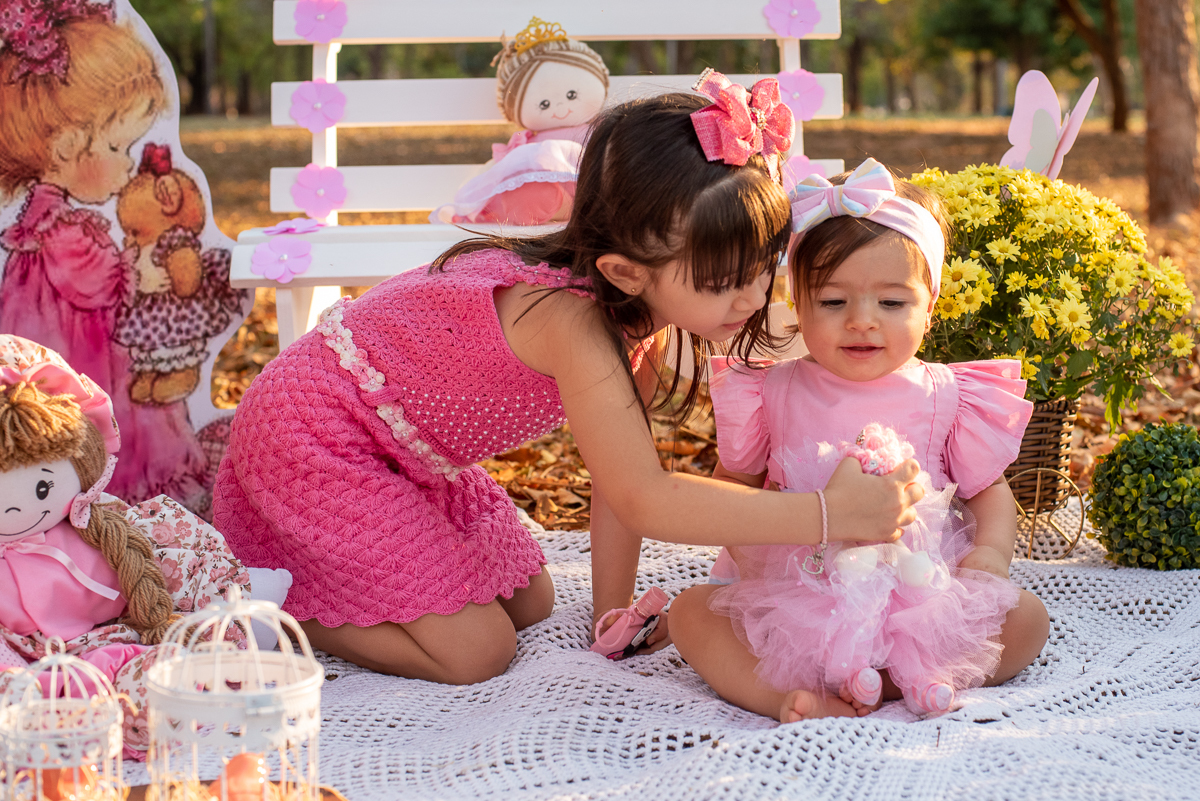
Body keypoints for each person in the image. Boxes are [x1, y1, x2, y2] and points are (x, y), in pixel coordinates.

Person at [213, 71, 925, 685]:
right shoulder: (571, 321)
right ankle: (271, 596)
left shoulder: (639, 319)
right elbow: (649, 498)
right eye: (724, 280)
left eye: (758, 269)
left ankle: (333, 580)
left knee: (532, 599)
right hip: (315, 434)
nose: (749, 298)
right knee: (477, 651)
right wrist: (829, 516)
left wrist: (610, 619)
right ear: (625, 270)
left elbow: (622, 485)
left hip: (403, 451)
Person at [670, 159, 1052, 723]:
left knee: (1028, 618)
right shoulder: (769, 391)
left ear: (931, 306)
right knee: (691, 615)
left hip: (917, 595)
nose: (862, 321)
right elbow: (737, 489)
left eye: (892, 303)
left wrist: (990, 556)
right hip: (793, 593)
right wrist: (750, 558)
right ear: (797, 304)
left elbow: (988, 490)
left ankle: (898, 676)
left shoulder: (948, 395)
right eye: (832, 302)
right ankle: (791, 696)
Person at [0, 0, 210, 506]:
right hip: (83, 363)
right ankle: (109, 491)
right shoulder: (59, 230)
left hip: (72, 353)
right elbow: (98, 282)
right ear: (69, 145)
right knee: (109, 422)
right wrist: (144, 271)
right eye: (118, 149)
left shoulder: (44, 221)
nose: (126, 168)